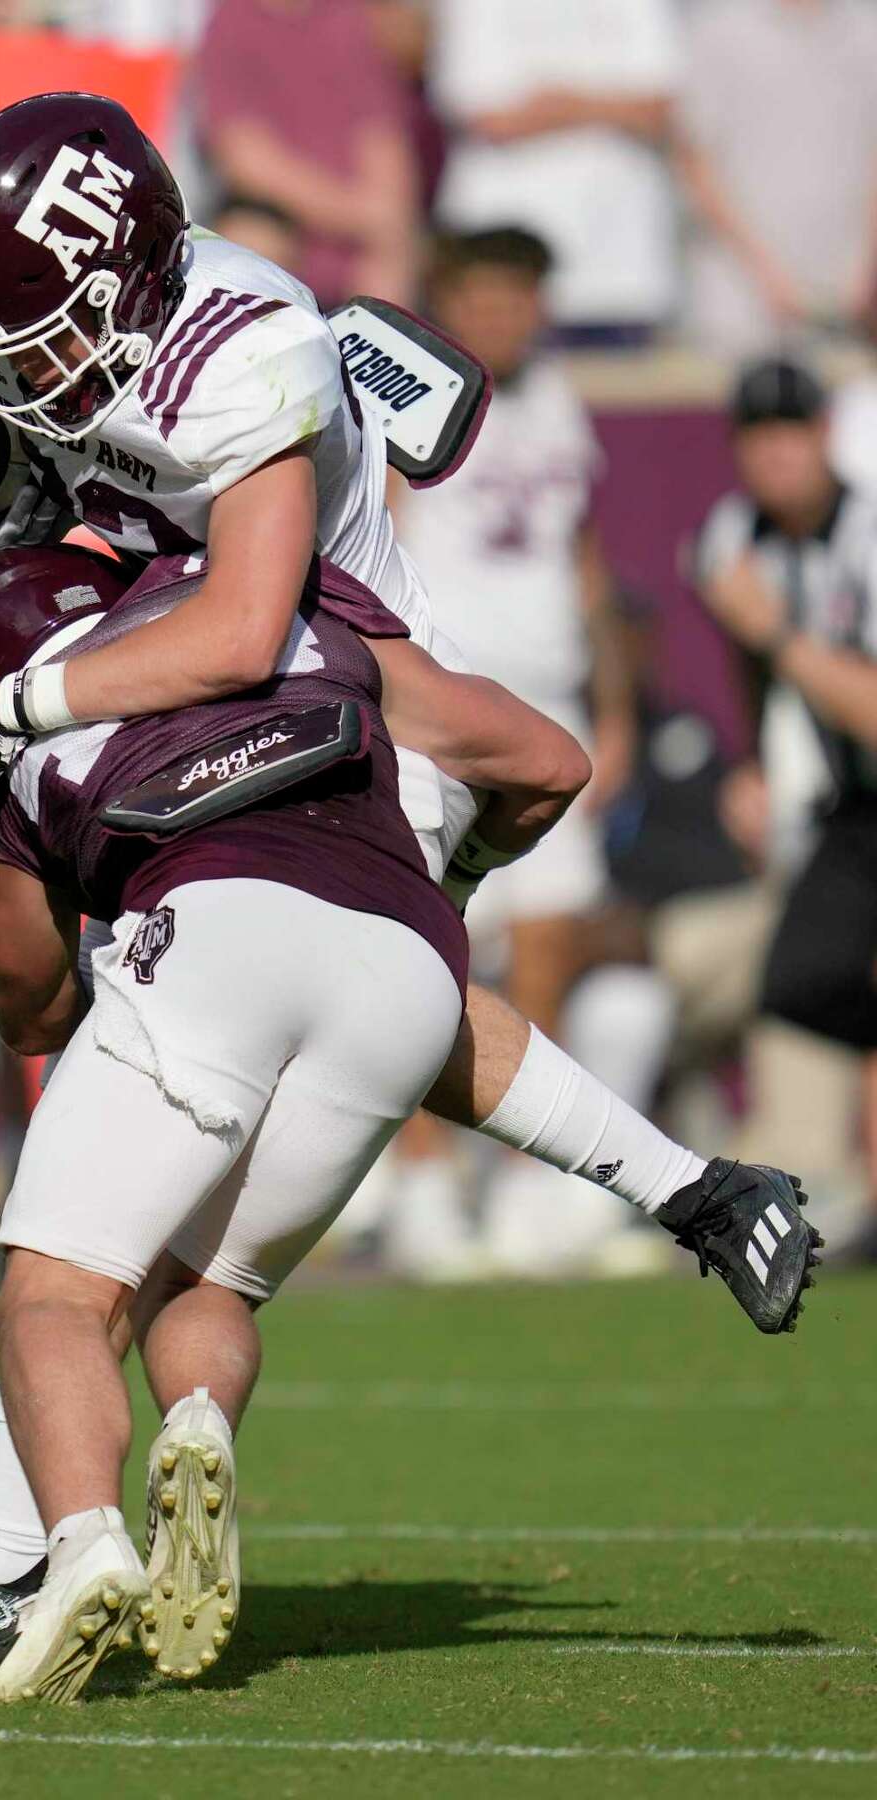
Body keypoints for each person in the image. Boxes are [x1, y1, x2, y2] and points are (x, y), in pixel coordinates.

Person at [0, 544, 821, 1683]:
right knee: (203, 1283)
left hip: (212, 932)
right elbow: (547, 759)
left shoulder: (24, 732)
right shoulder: (305, 625)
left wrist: (24, 852)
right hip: (412, 955)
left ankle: (72, 1550)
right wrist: (449, 884)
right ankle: (201, 1429)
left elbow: (26, 1006)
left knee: (55, 1298)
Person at [387, 225, 639, 1277]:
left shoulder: (559, 403)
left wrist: (614, 707)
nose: (502, 314)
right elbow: (378, 532)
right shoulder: (412, 396)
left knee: (547, 947)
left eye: (519, 294)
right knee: (412, 945)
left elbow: (587, 567)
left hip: (551, 705)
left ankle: (532, 1180)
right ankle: (422, 1183)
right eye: (481, 294)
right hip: (444, 704)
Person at [694, 358, 877, 1221]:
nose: (774, 457)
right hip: (853, 808)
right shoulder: (736, 535)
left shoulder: (867, 537)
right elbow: (750, 669)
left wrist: (779, 635)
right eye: (756, 438)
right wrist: (758, 761)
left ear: (823, 437)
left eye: (790, 433)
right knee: (804, 976)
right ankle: (828, 1183)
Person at [427, 0, 682, 343]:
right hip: (499, 278)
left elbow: (660, 109)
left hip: (621, 279)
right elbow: (488, 117)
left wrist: (557, 102)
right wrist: (607, 106)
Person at [678, 0, 877, 358]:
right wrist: (767, 275)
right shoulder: (718, 29)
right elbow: (694, 162)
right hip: (739, 302)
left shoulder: (867, 30)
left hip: (846, 302)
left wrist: (865, 270)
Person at [193, 0, 421, 307]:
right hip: (276, 219)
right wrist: (363, 218)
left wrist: (387, 234)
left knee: (391, 281)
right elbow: (245, 159)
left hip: (360, 235)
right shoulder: (230, 22)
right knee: (251, 242)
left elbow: (383, 136)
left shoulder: (351, 18)